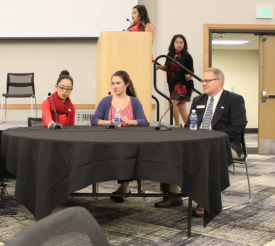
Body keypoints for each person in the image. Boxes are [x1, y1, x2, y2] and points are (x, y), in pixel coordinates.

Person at [154, 67, 246, 217]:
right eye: (202, 80)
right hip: (198, 143)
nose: (203, 83)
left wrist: (210, 138)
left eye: (207, 80)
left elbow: (237, 128)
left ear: (219, 82)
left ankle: (205, 200)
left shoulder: (234, 100)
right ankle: (173, 195)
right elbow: (191, 124)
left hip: (225, 144)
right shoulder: (199, 100)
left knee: (204, 154)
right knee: (172, 150)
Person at [91, 70, 149, 202]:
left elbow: (144, 121)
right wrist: (108, 122)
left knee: (126, 153)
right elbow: (94, 120)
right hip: (110, 141)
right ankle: (124, 188)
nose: (115, 86)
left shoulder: (134, 102)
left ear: (127, 84)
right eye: (113, 83)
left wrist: (130, 121)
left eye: (118, 83)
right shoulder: (106, 101)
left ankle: (123, 188)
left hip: (129, 141)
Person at [156, 34, 194, 127]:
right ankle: (189, 126)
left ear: (184, 44)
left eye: (181, 42)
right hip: (172, 83)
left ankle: (177, 124)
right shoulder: (170, 55)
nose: (179, 44)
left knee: (171, 103)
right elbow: (167, 67)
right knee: (181, 107)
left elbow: (191, 71)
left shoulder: (187, 56)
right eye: (177, 42)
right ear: (173, 44)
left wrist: (190, 76)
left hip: (183, 84)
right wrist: (160, 67)